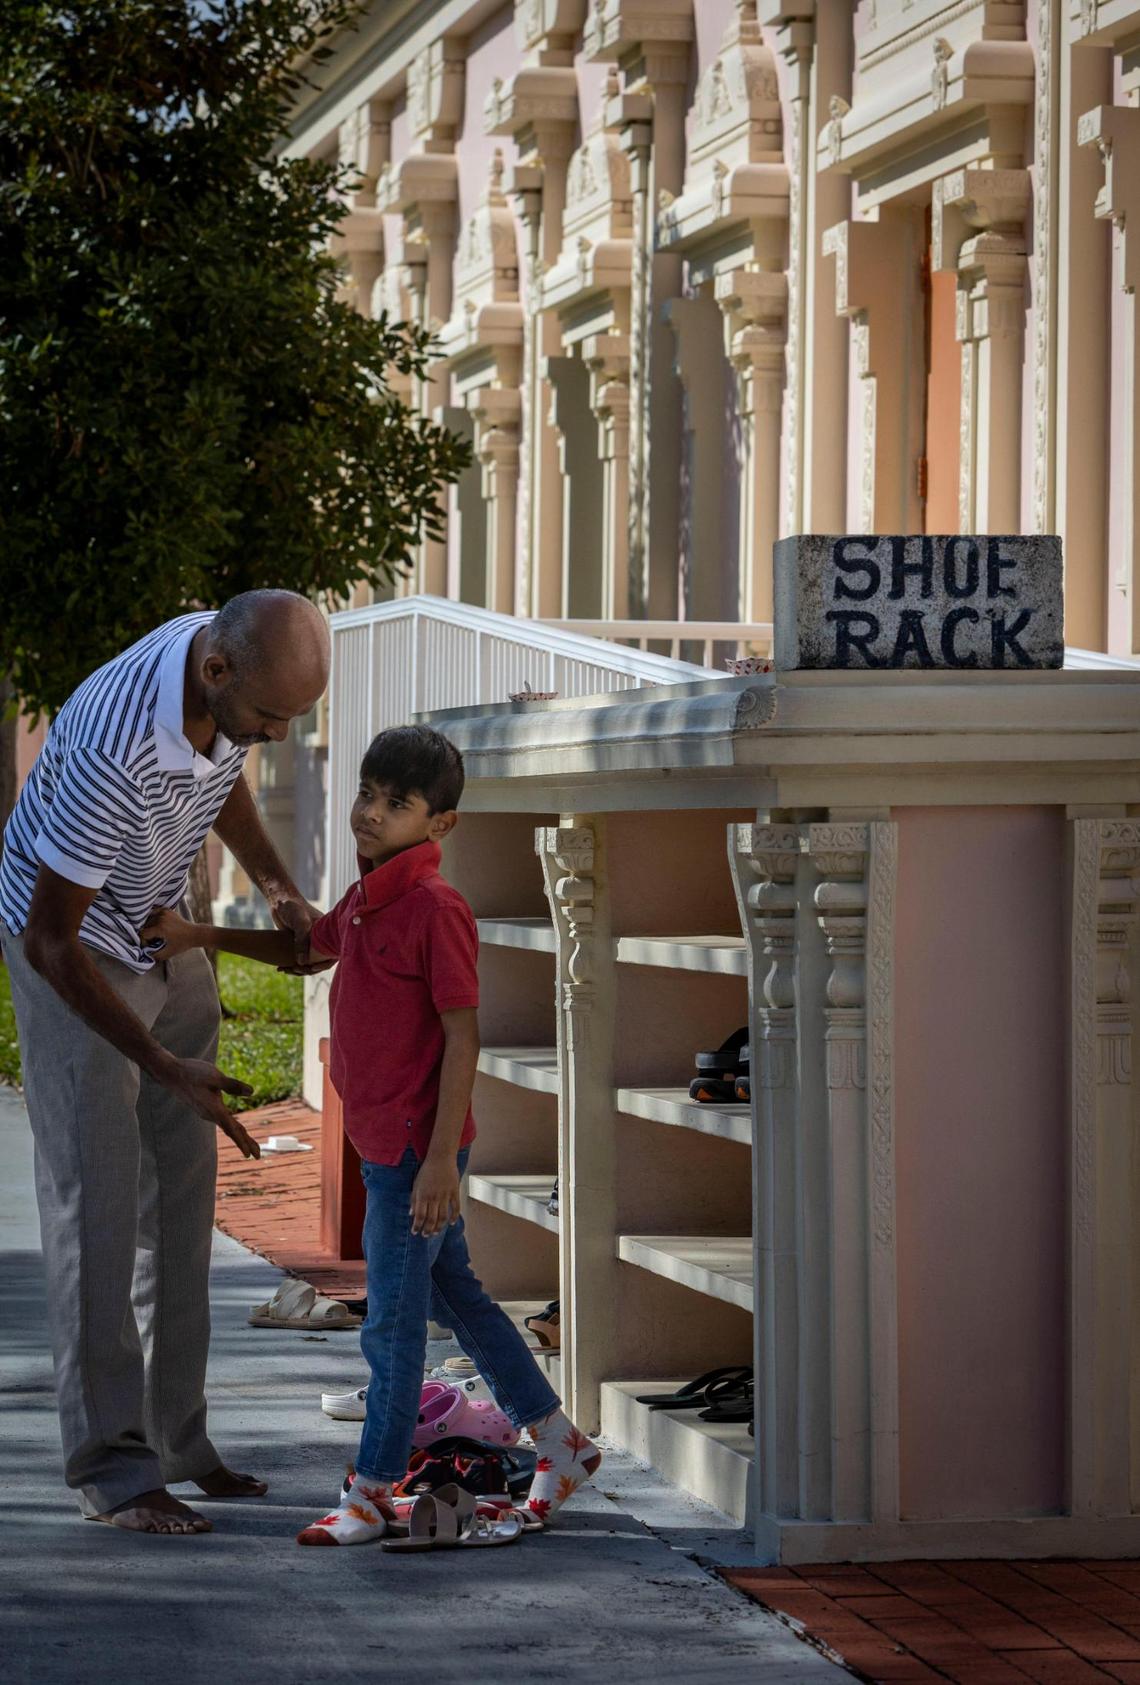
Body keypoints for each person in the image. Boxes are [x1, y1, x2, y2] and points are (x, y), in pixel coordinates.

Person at [141, 724, 601, 1545]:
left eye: (396, 804)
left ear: (440, 824)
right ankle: (560, 1444)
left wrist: (437, 1165)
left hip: (415, 1158)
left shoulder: (435, 906)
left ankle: (375, 1487)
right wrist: (198, 936)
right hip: (388, 1148)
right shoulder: (367, 896)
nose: (370, 813)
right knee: (461, 1299)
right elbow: (304, 951)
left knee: (390, 1325)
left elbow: (463, 1036)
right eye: (367, 794)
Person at [0, 591, 330, 1536]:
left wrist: (277, 884)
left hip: (159, 927)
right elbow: (49, 941)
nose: (271, 737)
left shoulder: (215, 653)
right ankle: (111, 1467)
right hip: (72, 948)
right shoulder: (114, 744)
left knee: (184, 1190)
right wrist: (154, 1059)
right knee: (97, 1203)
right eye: (271, 719)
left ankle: (177, 1439)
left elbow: (219, 772)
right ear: (220, 675)